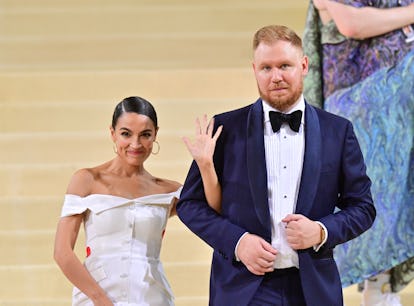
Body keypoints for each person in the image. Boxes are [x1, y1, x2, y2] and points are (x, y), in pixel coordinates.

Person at [176, 24, 376, 306]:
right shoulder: (224, 128)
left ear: (304, 65)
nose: (276, 77)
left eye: (285, 65)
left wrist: (321, 230)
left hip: (313, 289)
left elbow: (363, 208)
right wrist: (238, 242)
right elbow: (190, 205)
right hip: (243, 289)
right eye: (266, 68)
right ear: (254, 70)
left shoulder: (338, 131)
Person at [53, 96, 222, 306]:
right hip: (95, 299)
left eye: (145, 135)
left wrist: (205, 166)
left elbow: (214, 213)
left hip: (152, 298)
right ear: (112, 133)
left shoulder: (168, 190)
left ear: (155, 135)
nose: (136, 144)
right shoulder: (86, 180)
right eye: (126, 134)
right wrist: (100, 300)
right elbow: (62, 253)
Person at [303, 1, 414, 305]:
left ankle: (384, 288)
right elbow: (352, 24)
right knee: (373, 209)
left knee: (398, 207)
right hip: (363, 108)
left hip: (400, 113)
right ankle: (379, 287)